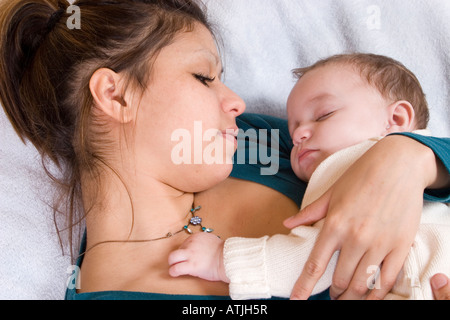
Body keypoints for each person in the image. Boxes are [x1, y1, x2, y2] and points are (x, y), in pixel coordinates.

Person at [0, 0, 448, 300]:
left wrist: (409, 157)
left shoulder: (258, 143)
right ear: (116, 96)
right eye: (204, 77)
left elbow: (383, 133)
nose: (236, 101)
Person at [168, 54, 450, 300]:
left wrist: (223, 261)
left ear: (397, 120)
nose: (299, 135)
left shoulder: (352, 160)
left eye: (323, 115)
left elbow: (317, 257)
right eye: (294, 130)